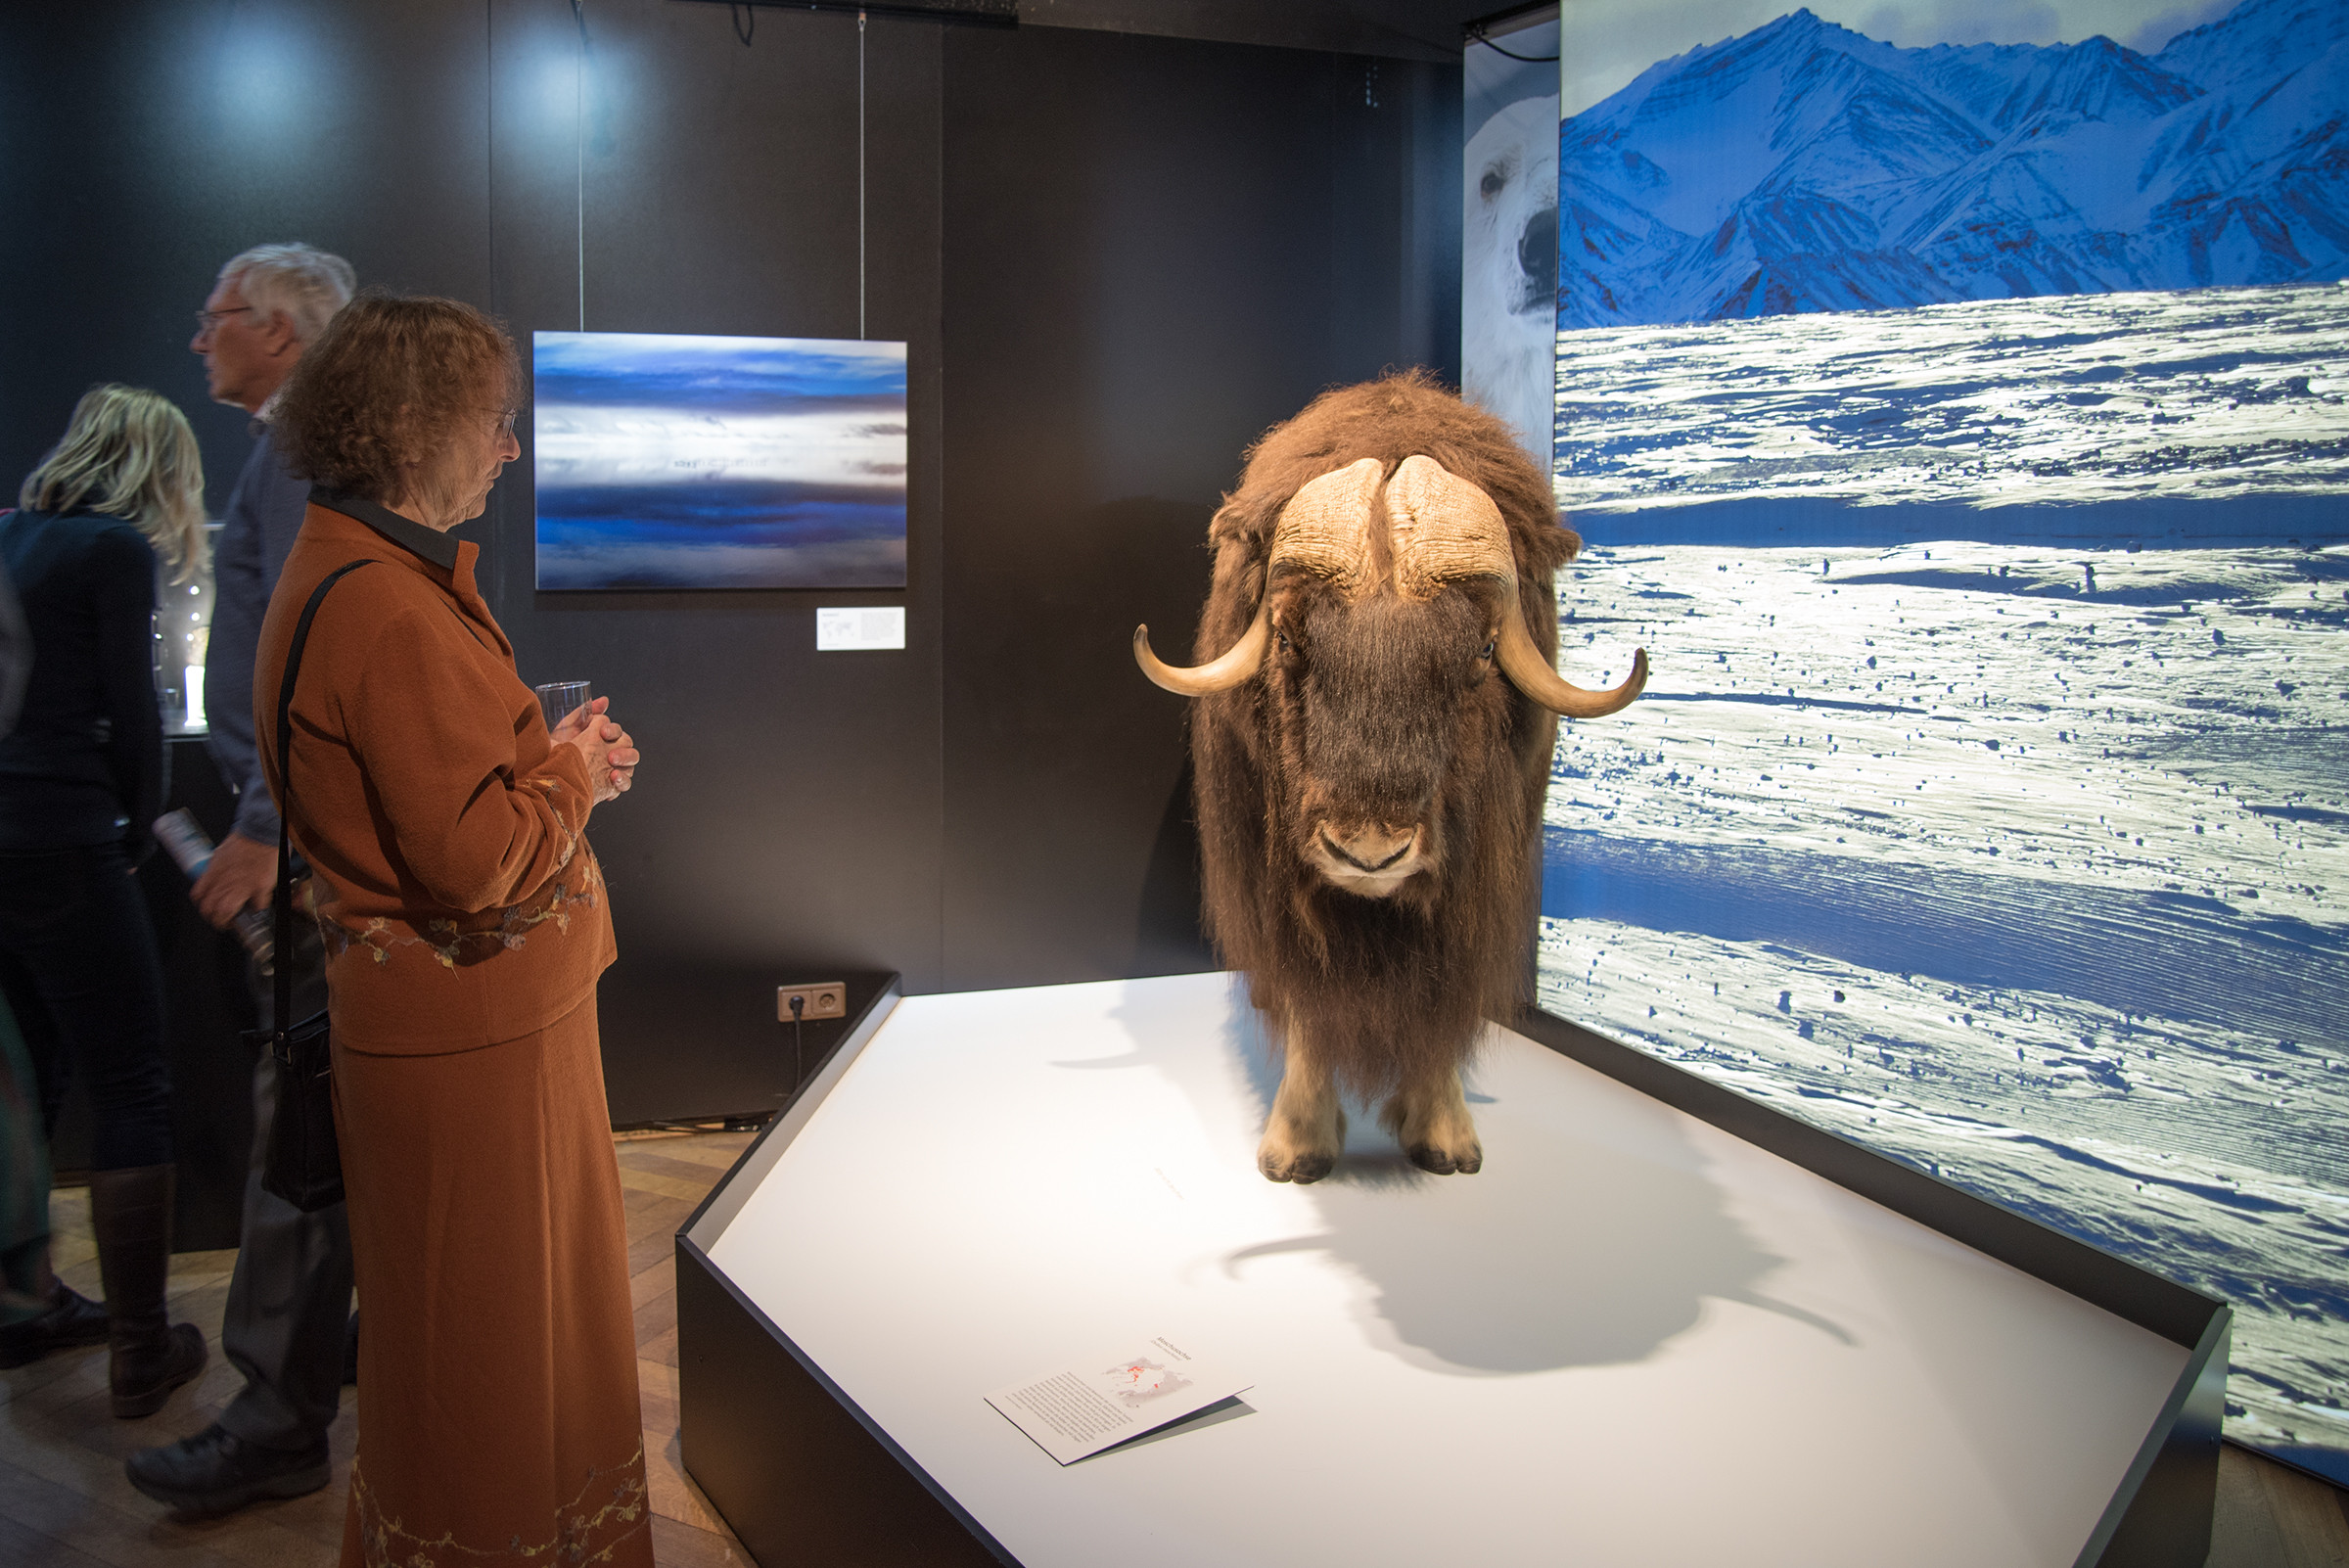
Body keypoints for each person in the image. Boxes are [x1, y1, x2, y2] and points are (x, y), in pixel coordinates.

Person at [255, 293, 647, 1566]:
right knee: (490, 1357)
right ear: (419, 429)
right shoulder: (382, 602)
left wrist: (546, 753)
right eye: (497, 424)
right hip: (473, 1043)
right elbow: (476, 861)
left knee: (481, 1349)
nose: (511, 451)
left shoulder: (351, 569)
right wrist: (572, 777)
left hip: (466, 1036)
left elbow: (433, 792)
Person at [128, 241, 359, 1514]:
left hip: (304, 849)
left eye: (216, 316)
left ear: (276, 329)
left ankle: (277, 1411)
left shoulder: (297, 452)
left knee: (300, 1130)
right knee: (325, 1115)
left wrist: (266, 824)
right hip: (311, 837)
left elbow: (302, 651)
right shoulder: (305, 447)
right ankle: (328, 1345)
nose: (201, 335)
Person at [0, 386, 210, 1414]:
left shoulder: (13, 537)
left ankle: (23, 1303)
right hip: (69, 837)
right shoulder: (115, 552)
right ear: (160, 469)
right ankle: (140, 1349)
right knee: (133, 1082)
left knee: (26, 1077)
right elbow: (137, 712)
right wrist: (137, 827)